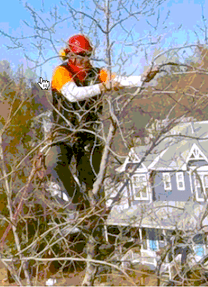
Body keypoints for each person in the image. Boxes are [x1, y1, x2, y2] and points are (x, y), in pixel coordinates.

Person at [45, 34, 159, 212]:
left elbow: (118, 80)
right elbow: (73, 94)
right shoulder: (61, 72)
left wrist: (142, 79)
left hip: (89, 133)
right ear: (71, 55)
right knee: (54, 162)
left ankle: (94, 218)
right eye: (82, 56)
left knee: (91, 181)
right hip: (64, 131)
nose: (85, 60)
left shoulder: (97, 74)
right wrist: (101, 87)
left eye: (87, 56)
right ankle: (78, 204)